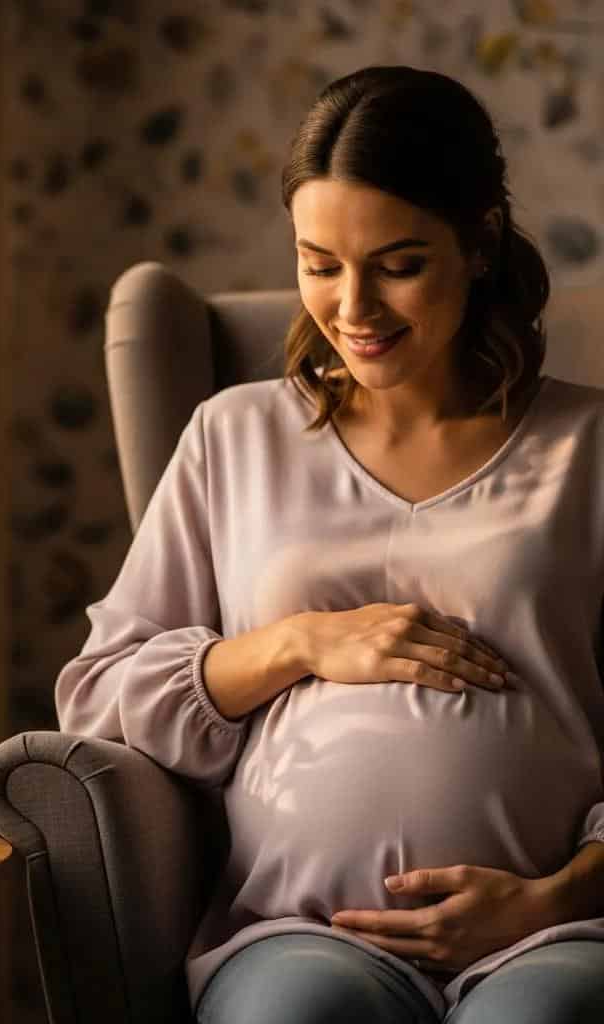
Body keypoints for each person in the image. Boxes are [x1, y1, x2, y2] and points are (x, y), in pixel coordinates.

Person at [55, 65, 604, 1024]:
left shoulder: (590, 450)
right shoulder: (234, 435)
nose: (353, 307)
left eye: (398, 264)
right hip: (299, 931)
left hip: (549, 932)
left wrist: (554, 898)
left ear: (477, 245)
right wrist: (300, 642)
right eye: (319, 263)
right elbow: (98, 693)